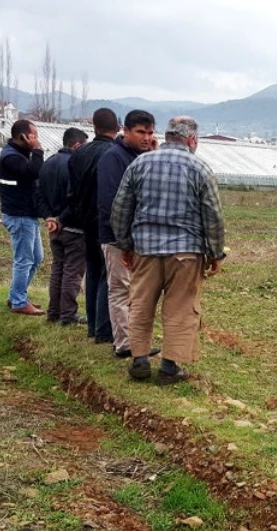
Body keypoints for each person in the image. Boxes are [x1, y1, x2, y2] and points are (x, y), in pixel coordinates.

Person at [111, 116, 226, 385]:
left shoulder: (139, 163)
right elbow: (213, 216)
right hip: (186, 253)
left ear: (166, 136)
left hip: (146, 249)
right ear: (192, 139)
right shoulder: (200, 168)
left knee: (140, 304)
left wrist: (125, 244)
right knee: (181, 308)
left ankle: (139, 360)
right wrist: (215, 253)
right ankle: (169, 367)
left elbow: (120, 208)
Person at [97, 110, 159, 359]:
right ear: (126, 130)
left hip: (137, 236)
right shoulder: (113, 158)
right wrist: (123, 240)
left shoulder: (142, 156)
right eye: (141, 132)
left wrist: (153, 154)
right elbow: (111, 202)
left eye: (151, 132)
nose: (146, 137)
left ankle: (132, 339)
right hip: (117, 236)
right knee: (121, 289)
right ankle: (124, 343)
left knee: (135, 291)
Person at [56, 108, 119, 344]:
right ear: (118, 127)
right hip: (104, 221)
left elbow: (71, 194)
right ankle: (104, 329)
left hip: (84, 222)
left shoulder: (79, 154)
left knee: (92, 272)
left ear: (94, 127)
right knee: (107, 275)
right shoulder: (114, 154)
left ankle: (92, 326)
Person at [38, 127, 89, 325]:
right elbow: (76, 199)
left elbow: (38, 193)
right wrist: (62, 219)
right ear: (76, 145)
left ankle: (53, 313)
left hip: (54, 229)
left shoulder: (48, 163)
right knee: (72, 273)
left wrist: (49, 218)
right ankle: (68, 315)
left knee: (58, 270)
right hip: (73, 228)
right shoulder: (75, 166)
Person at [0, 119, 45, 315]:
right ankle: (18, 302)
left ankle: (16, 295)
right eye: (34, 135)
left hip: (27, 215)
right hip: (19, 216)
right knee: (24, 260)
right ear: (24, 136)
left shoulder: (18, 154)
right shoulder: (11, 157)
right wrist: (38, 149)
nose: (37, 139)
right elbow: (34, 171)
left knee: (36, 258)